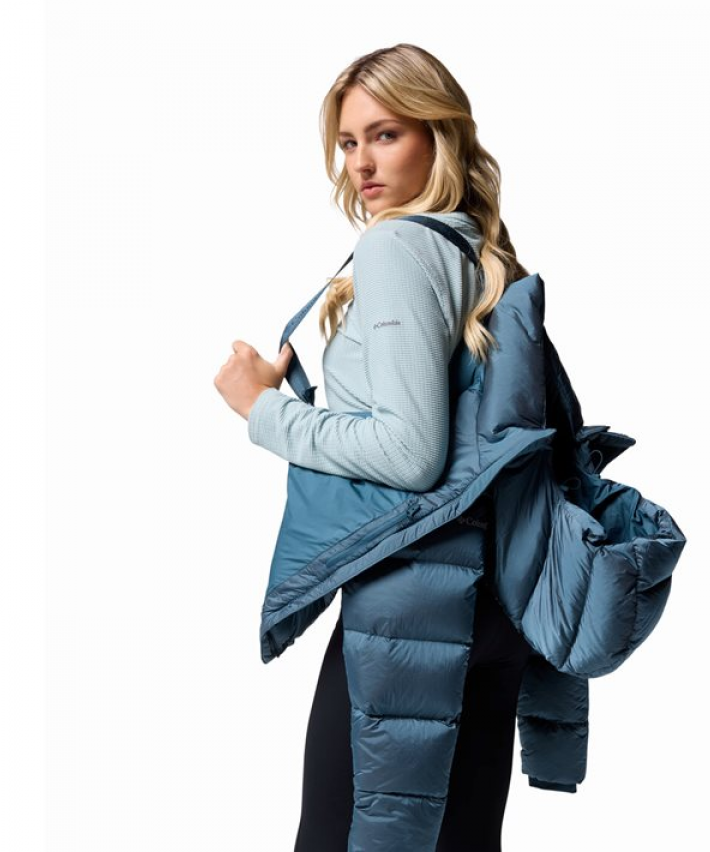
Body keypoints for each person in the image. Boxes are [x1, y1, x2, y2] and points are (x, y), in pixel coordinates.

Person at [214, 43, 535, 851]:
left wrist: (261, 409)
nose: (360, 163)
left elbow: (409, 454)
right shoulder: (482, 252)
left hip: (411, 606)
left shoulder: (397, 247)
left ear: (439, 134)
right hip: (492, 607)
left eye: (385, 134)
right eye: (349, 141)